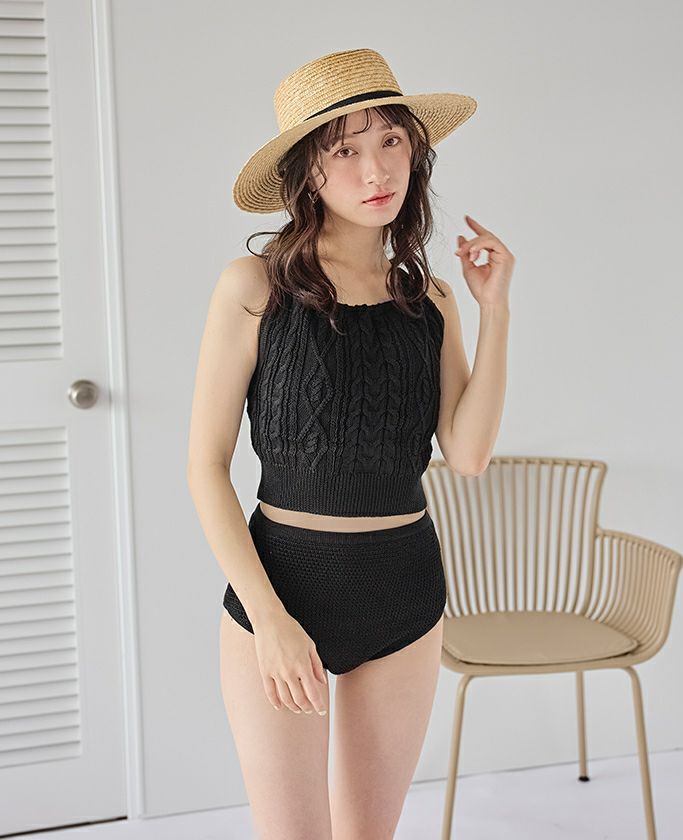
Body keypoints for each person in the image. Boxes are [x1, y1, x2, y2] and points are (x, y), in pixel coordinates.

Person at [186, 47, 514, 840]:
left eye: (391, 140)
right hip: (282, 586)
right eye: (345, 150)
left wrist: (496, 310)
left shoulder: (430, 299)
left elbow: (467, 456)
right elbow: (204, 466)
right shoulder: (253, 288)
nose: (376, 169)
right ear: (308, 170)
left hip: (403, 588)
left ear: (415, 150)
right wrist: (269, 618)